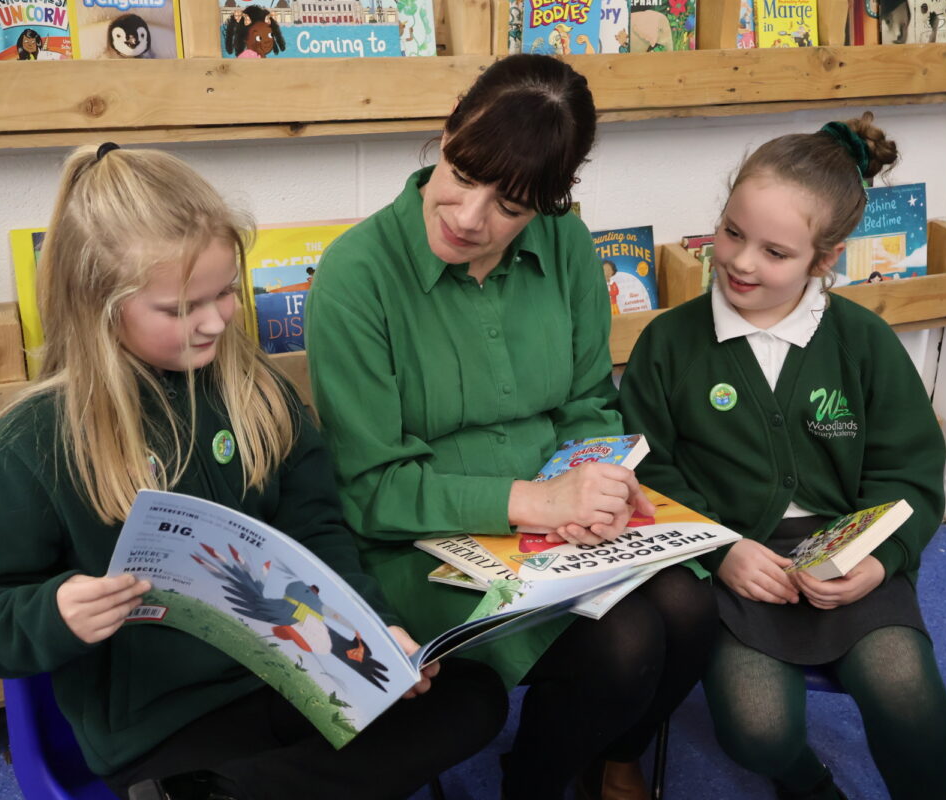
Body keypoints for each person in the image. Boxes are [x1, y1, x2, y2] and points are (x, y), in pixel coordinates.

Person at [0, 143, 506, 800]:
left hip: (294, 679)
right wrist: (54, 612)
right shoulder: (36, 440)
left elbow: (318, 534)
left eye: (226, 292)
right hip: (165, 724)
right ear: (99, 304)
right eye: (180, 309)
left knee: (474, 696)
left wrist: (374, 633)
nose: (214, 321)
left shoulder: (256, 391)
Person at [305, 54, 718, 800]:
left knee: (691, 610)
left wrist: (596, 487)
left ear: (552, 202)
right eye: (461, 172)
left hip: (553, 517)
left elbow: (590, 399)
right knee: (623, 647)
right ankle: (532, 786)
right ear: (448, 129)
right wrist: (540, 502)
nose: (469, 217)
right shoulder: (354, 275)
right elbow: (373, 491)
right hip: (419, 542)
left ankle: (606, 756)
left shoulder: (565, 242)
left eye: (511, 206)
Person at [619, 113, 946, 800]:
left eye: (775, 253)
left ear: (824, 259)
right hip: (738, 561)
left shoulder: (863, 341)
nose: (742, 262)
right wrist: (722, 550)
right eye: (732, 233)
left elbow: (912, 479)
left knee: (907, 695)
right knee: (757, 731)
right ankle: (806, 782)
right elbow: (651, 476)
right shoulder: (668, 344)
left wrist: (880, 561)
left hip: (853, 557)